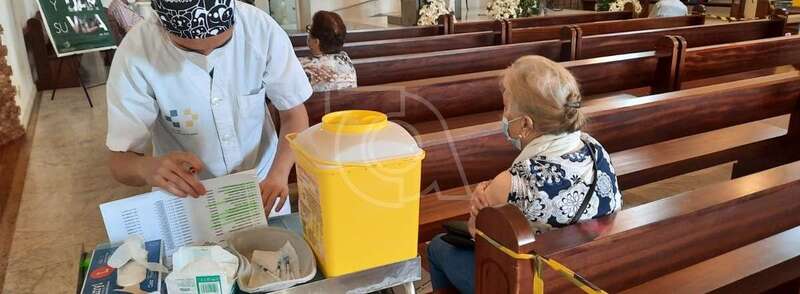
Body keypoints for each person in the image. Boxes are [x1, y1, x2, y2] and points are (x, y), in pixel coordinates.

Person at [426, 56, 623, 294]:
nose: (504, 115)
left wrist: (479, 211)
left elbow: (478, 238)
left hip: (536, 285)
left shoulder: (514, 183)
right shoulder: (595, 149)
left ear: (525, 125)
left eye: (507, 107)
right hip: (588, 276)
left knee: (438, 247)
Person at [106, 0, 312, 217]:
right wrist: (145, 168)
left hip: (262, 185)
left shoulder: (261, 30)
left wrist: (279, 173)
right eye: (187, 50)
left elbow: (293, 114)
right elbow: (120, 161)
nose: (207, 58)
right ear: (162, 24)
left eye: (223, 45)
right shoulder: (136, 51)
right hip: (187, 197)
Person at [298, 11, 357, 92]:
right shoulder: (346, 61)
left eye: (310, 29)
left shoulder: (303, 66)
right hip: (347, 104)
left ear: (316, 42)